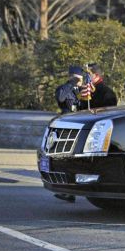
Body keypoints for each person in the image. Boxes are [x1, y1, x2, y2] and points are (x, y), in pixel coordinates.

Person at [54, 65, 84, 203]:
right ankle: (66, 191)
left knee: (77, 160)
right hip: (66, 126)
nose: (79, 81)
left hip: (80, 127)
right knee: (64, 159)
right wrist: (71, 83)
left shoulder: (82, 91)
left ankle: (73, 189)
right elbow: (61, 98)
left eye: (80, 78)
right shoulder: (63, 88)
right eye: (77, 78)